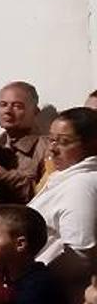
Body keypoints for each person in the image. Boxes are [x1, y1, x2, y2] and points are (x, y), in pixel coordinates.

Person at [28, 107, 97, 267]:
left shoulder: (81, 186)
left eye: (64, 142)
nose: (52, 149)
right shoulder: (65, 176)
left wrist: (39, 281)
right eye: (51, 139)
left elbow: (79, 252)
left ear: (91, 145)